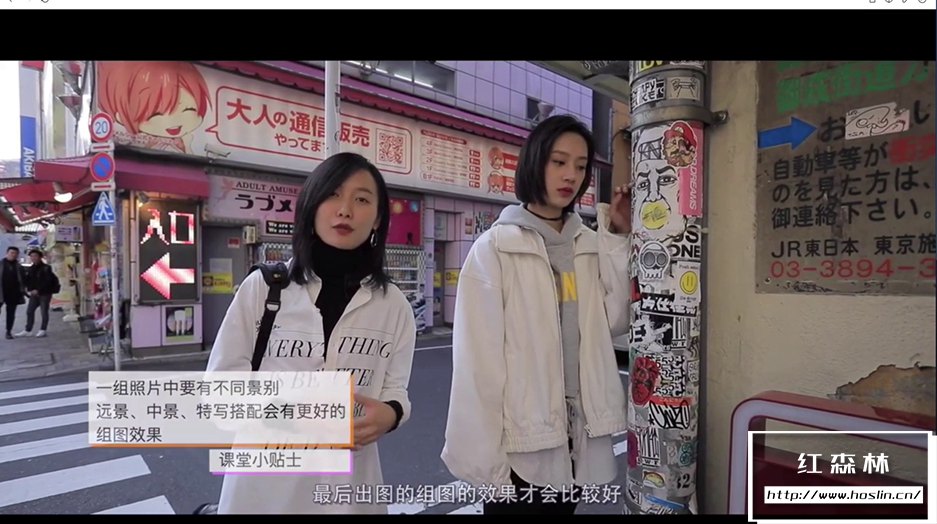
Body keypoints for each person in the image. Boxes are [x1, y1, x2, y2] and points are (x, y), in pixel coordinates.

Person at [441, 115, 632, 514]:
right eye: (558, 162)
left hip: (577, 436)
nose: (570, 175)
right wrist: (489, 464)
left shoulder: (588, 244)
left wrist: (616, 235)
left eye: (580, 166)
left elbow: (612, 322)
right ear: (534, 163)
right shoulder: (495, 249)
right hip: (523, 445)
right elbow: (477, 365)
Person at [205, 152, 416, 514]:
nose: (345, 210)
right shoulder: (264, 289)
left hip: (349, 493)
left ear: (379, 218)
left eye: (362, 199)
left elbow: (395, 389)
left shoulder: (393, 304)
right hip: (261, 493)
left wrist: (393, 414)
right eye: (332, 194)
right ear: (311, 205)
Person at [16, 249, 60, 338]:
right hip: (34, 294)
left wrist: (38, 290)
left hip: (45, 293)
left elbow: (47, 281)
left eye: (35, 256)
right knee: (29, 311)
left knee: (44, 311)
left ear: (40, 257)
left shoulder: (46, 268)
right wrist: (30, 289)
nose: (33, 258)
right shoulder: (31, 268)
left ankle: (43, 329)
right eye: (31, 256)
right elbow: (29, 281)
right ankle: (28, 330)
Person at [1, 247, 26, 339]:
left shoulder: (19, 267)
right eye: (11, 253)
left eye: (15, 253)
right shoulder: (1, 264)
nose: (13, 255)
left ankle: (8, 331)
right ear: (7, 253)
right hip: (1, 292)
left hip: (13, 293)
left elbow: (24, 280)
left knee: (11, 313)